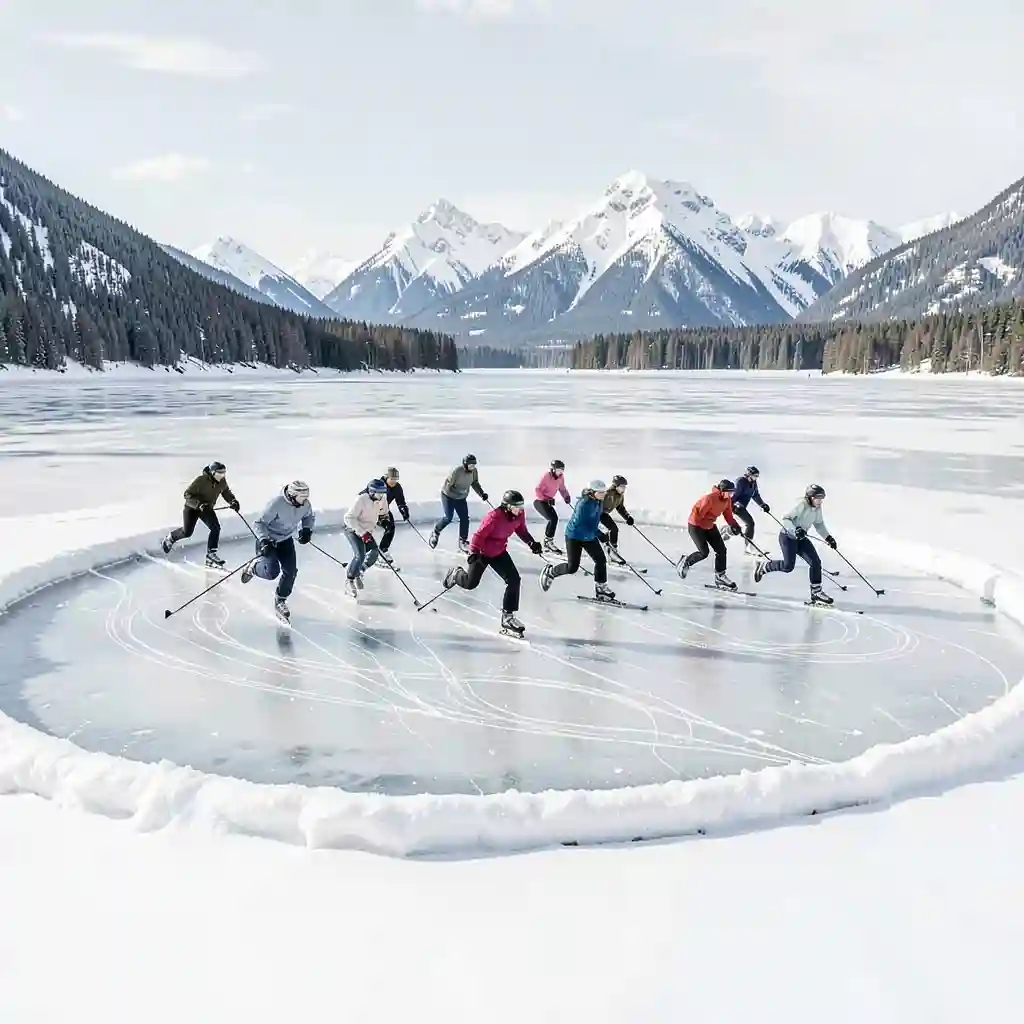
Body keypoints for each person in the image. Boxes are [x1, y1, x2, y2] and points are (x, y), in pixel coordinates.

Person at [443, 489, 543, 635]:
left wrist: (531, 542)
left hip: (499, 551)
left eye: (521, 507)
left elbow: (521, 530)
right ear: (507, 506)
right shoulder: (494, 517)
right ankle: (456, 574)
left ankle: (507, 617)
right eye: (516, 507)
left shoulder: (519, 515)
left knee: (514, 580)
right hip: (483, 553)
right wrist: (473, 552)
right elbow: (478, 535)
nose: (519, 510)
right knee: (470, 584)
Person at [240, 480, 314, 620]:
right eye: (302, 497)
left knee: (291, 571)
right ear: (293, 495)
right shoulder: (276, 504)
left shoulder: (305, 504)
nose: (305, 501)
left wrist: (306, 530)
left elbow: (308, 516)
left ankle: (280, 600)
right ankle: (253, 567)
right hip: (268, 541)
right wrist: (264, 540)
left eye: (306, 497)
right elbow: (259, 523)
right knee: (272, 572)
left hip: (285, 540)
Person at [753, 484, 836, 606]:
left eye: (822, 498)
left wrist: (828, 538)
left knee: (815, 562)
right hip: (788, 537)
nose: (820, 501)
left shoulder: (817, 508)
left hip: (801, 539)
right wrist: (795, 529)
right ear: (810, 497)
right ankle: (764, 566)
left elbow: (819, 524)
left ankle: (816, 592)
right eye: (818, 498)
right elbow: (786, 519)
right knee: (788, 567)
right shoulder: (802, 505)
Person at [539, 480, 616, 602]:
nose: (603, 494)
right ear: (592, 492)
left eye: (604, 492)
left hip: (589, 536)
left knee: (601, 560)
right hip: (574, 536)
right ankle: (551, 572)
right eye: (600, 492)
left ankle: (601, 588)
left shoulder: (598, 502)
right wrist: (600, 534)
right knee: (572, 568)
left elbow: (597, 517)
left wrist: (608, 528)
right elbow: (583, 524)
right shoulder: (584, 504)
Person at [160, 460, 240, 568]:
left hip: (206, 509)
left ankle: (211, 555)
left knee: (215, 527)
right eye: (219, 473)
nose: (221, 475)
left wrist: (233, 501)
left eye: (223, 473)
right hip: (192, 508)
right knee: (187, 532)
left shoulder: (222, 481)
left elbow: (225, 492)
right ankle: (171, 537)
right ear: (212, 472)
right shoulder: (201, 480)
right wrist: (199, 504)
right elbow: (187, 494)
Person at [677, 479, 742, 590]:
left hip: (709, 525)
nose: (731, 495)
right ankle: (687, 561)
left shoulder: (727, 500)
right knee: (704, 552)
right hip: (696, 526)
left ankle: (720, 576)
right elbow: (697, 514)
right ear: (722, 491)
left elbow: (728, 515)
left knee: (721, 550)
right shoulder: (710, 499)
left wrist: (735, 526)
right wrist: (705, 527)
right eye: (729, 492)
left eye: (732, 493)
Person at [429, 453, 488, 553]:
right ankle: (436, 530)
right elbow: (448, 486)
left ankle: (462, 541)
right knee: (448, 517)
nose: (472, 467)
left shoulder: (473, 472)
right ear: (465, 464)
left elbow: (474, 483)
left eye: (474, 465)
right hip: (448, 496)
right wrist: (457, 492)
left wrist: (482, 494)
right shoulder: (457, 471)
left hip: (461, 498)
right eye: (470, 465)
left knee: (465, 518)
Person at [342, 478, 389, 596]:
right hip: (353, 529)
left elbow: (383, 513)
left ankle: (359, 570)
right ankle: (349, 580)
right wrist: (362, 533)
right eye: (379, 493)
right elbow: (348, 518)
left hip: (367, 532)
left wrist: (385, 521)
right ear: (372, 492)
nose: (381, 496)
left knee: (374, 553)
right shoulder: (361, 499)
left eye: (383, 493)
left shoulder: (382, 499)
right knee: (360, 554)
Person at [721, 466, 770, 554]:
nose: (756, 477)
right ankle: (747, 547)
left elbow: (755, 495)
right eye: (755, 475)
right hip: (735, 507)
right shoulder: (741, 482)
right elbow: (733, 495)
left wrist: (763, 505)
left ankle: (725, 532)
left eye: (757, 476)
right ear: (748, 475)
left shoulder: (753, 484)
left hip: (741, 508)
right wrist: (732, 505)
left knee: (737, 528)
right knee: (750, 523)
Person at [367, 466, 409, 566]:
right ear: (386, 477)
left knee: (391, 527)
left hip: (384, 511)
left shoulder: (397, 488)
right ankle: (369, 553)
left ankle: (383, 549)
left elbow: (401, 502)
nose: (394, 482)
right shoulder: (379, 485)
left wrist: (404, 510)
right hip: (371, 510)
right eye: (392, 479)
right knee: (367, 530)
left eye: (396, 479)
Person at [533, 458, 571, 554]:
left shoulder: (561, 477)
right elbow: (537, 490)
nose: (560, 472)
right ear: (553, 469)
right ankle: (548, 542)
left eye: (562, 470)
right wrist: (546, 499)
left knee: (554, 519)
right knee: (552, 519)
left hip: (548, 501)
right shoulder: (546, 476)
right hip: (539, 501)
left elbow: (562, 489)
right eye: (558, 470)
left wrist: (566, 496)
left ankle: (548, 542)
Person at [598, 474, 634, 565]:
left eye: (625, 487)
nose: (624, 489)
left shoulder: (620, 495)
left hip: (604, 514)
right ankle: (610, 551)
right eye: (622, 487)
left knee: (614, 529)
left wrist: (628, 517)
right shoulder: (608, 493)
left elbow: (620, 508)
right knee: (608, 530)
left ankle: (613, 551)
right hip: (596, 513)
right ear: (616, 486)